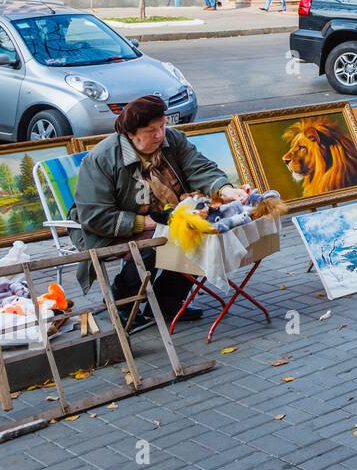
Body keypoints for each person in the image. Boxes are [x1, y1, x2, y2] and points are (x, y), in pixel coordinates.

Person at [72, 96, 249, 325]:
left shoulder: (172, 140)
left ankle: (169, 304)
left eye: (162, 126)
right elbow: (95, 216)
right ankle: (123, 301)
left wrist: (225, 190)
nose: (159, 135)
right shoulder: (101, 159)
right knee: (154, 244)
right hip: (109, 228)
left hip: (169, 216)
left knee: (198, 233)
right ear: (130, 133)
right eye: (150, 130)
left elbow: (200, 167)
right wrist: (154, 223)